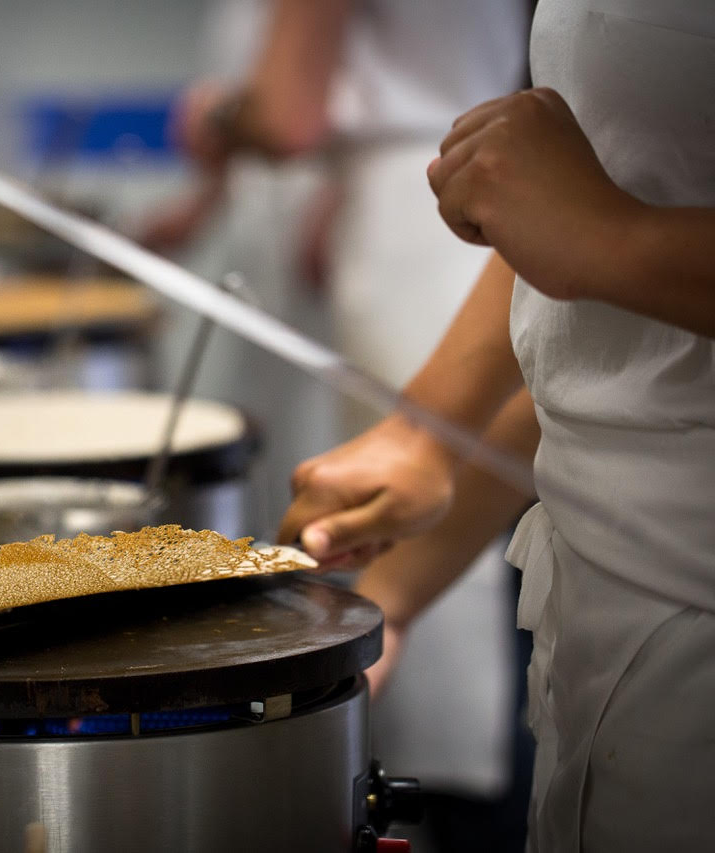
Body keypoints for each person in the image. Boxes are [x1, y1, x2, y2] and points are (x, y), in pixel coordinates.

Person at [280, 1, 715, 848]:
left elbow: (596, 232)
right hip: (597, 624)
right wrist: (425, 436)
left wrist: (618, 239)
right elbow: (585, 269)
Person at [144, 2, 537, 847]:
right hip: (437, 198)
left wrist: (213, 116)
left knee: (452, 632)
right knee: (454, 595)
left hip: (420, 233)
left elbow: (289, 112)